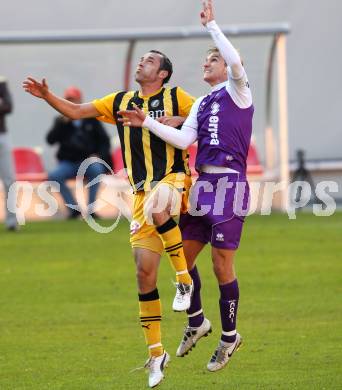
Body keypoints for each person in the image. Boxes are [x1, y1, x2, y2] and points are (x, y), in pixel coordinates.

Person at [23, 50, 195, 387]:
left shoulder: (177, 97)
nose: (142, 62)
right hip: (141, 192)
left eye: (150, 60)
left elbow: (207, 117)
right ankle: (156, 354)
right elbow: (74, 111)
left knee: (161, 203)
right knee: (144, 274)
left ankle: (184, 280)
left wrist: (184, 122)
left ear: (162, 74)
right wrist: (47, 96)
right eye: (142, 58)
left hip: (173, 180)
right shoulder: (120, 100)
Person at [118, 0, 254, 373]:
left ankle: (229, 338)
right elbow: (182, 140)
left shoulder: (239, 91)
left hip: (229, 185)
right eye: (206, 61)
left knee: (220, 265)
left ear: (227, 67)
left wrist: (213, 27)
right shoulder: (203, 103)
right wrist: (146, 122)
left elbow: (237, 63)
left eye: (213, 60)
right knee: (184, 257)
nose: (206, 64)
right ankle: (196, 321)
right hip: (203, 185)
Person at [46, 86, 112, 219]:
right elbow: (50, 140)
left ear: (80, 100)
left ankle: (91, 210)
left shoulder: (92, 119)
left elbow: (105, 141)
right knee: (54, 175)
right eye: (68, 100)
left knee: (96, 169)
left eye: (73, 100)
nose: (71, 103)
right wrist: (62, 124)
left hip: (88, 161)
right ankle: (73, 209)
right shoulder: (60, 121)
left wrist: (98, 155)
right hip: (69, 162)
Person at [0, 76, 18, 231]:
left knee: (9, 180)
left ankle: (12, 222)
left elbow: (8, 106)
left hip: (1, 136)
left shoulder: (1, 82)